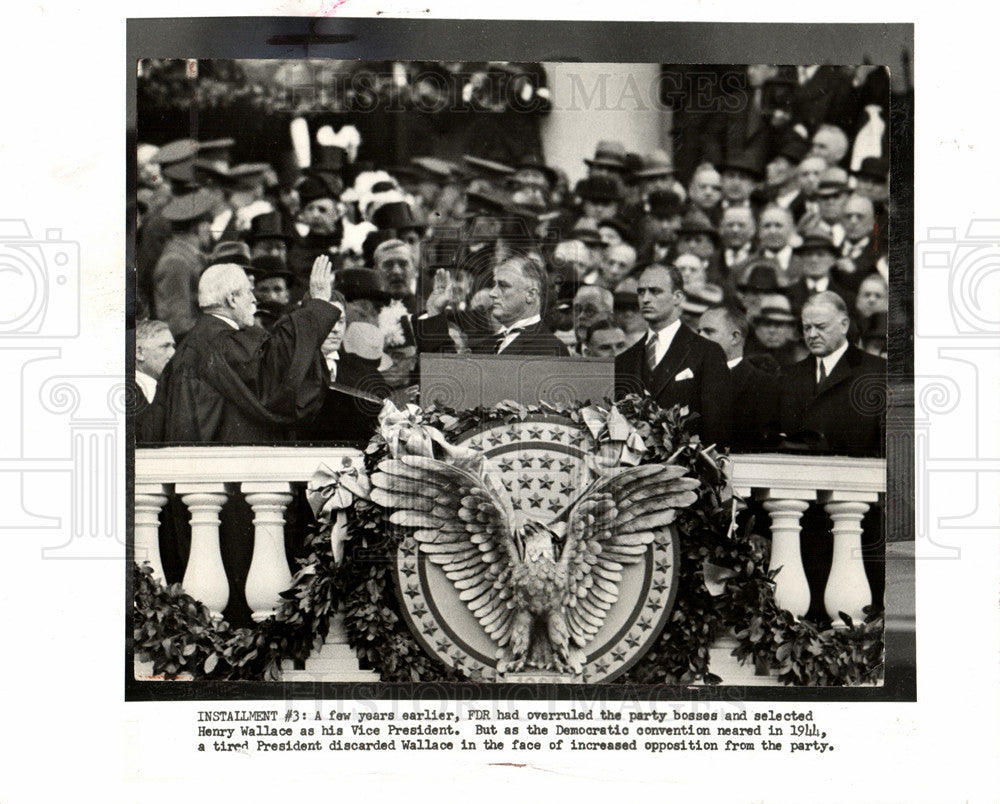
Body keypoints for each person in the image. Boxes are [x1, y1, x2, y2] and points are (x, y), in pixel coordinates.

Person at [144, 256, 342, 444]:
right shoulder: (221, 342)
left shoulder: (193, 343)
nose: (255, 300)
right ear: (231, 299)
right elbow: (275, 372)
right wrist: (318, 306)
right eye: (249, 292)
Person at [615, 263, 732, 447]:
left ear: (677, 297)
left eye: (655, 291)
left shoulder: (707, 353)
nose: (645, 299)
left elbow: (716, 426)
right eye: (641, 292)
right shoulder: (624, 360)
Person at [778, 291, 886, 457]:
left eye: (821, 327)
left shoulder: (878, 372)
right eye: (807, 328)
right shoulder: (788, 376)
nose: (812, 335)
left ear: (844, 325)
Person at [697, 306, 778, 452]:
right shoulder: (689, 377)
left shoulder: (763, 385)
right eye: (699, 331)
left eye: (709, 331)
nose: (700, 337)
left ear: (735, 337)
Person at [469, 254, 569, 356]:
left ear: (530, 294)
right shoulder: (483, 347)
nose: (492, 293)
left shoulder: (550, 349)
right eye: (494, 284)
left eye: (503, 285)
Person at [133, 319, 176, 437]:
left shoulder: (168, 387)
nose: (173, 353)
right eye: (165, 346)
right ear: (139, 352)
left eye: (173, 346)